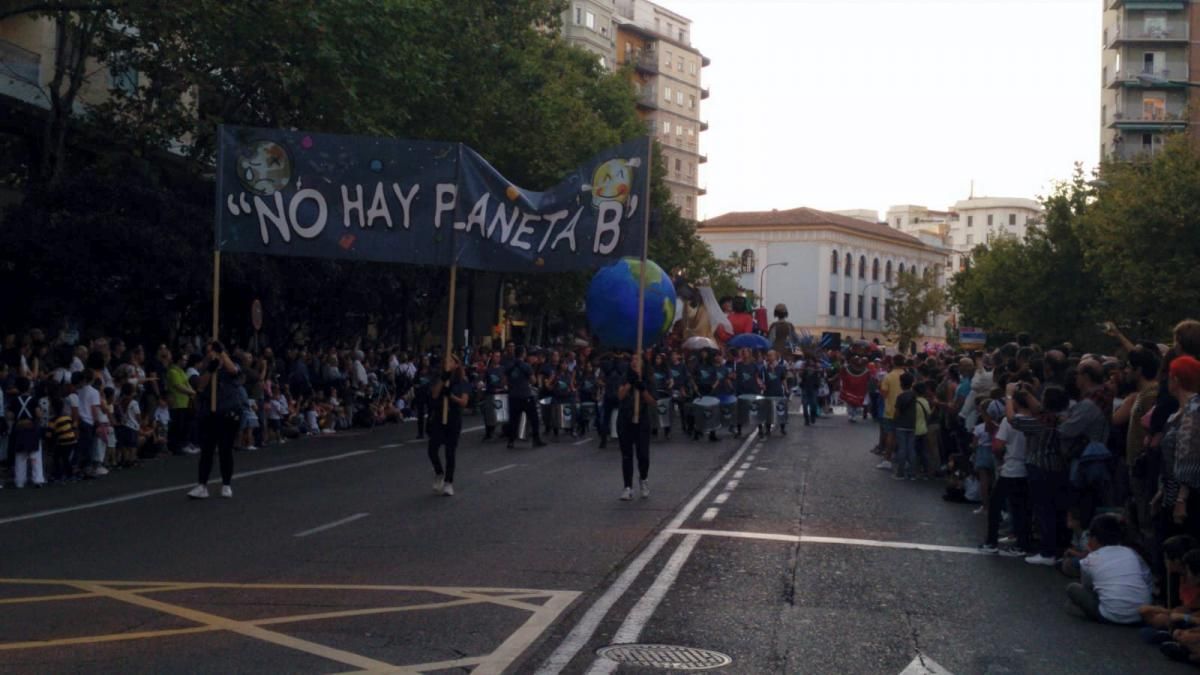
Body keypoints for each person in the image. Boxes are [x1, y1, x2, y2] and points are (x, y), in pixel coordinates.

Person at [1066, 513, 1152, 624]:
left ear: (1094, 539)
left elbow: (1087, 587)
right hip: (1142, 613)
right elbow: (1147, 578)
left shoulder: (1090, 559)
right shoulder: (1131, 553)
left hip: (1110, 615)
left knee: (1072, 588)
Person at [187, 341, 241, 500]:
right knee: (207, 451)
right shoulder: (200, 370)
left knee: (226, 449)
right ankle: (202, 485)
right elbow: (200, 386)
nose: (213, 354)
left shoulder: (229, 367)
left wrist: (222, 352)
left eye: (215, 351)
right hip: (209, 414)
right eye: (210, 351)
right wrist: (211, 369)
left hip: (228, 412)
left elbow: (234, 371)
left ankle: (226, 484)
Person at [428, 362, 470, 497]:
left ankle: (448, 482)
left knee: (450, 451)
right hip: (439, 418)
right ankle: (439, 472)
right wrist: (444, 378)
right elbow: (434, 394)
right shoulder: (440, 378)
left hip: (453, 418)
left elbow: (464, 402)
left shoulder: (462, 381)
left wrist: (451, 396)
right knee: (432, 449)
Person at [618, 354, 655, 501]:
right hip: (625, 419)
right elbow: (619, 396)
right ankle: (627, 487)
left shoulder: (649, 379)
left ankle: (644, 479)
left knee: (643, 455)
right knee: (627, 455)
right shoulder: (625, 377)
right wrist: (629, 384)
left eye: (637, 359)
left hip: (642, 420)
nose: (634, 362)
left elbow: (653, 401)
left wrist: (642, 388)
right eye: (632, 359)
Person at [6, 377, 44, 488]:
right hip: (32, 429)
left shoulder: (14, 401)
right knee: (35, 454)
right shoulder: (33, 400)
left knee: (20, 455)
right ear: (29, 387)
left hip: (19, 429)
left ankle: (19, 481)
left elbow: (10, 416)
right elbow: (38, 415)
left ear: (17, 388)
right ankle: (37, 479)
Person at [506, 347, 546, 449]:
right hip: (525, 395)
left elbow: (504, 380)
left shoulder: (509, 365)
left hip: (513, 395)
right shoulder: (526, 366)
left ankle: (511, 440)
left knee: (513, 419)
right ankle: (536, 439)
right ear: (523, 354)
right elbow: (533, 381)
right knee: (534, 418)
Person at [892, 373, 918, 480]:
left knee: (902, 448)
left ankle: (900, 472)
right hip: (913, 424)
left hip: (902, 424)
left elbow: (897, 412)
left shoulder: (901, 397)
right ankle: (912, 473)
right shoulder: (915, 395)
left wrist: (894, 421)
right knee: (911, 448)